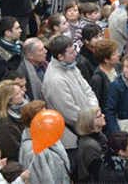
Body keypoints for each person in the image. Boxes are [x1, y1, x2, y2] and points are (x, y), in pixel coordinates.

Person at [42, 35, 98, 166]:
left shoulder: (71, 66)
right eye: (72, 52)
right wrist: (93, 120)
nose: (76, 53)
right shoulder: (54, 80)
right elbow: (70, 113)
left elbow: (88, 90)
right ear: (60, 57)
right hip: (73, 139)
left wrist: (95, 111)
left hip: (88, 126)